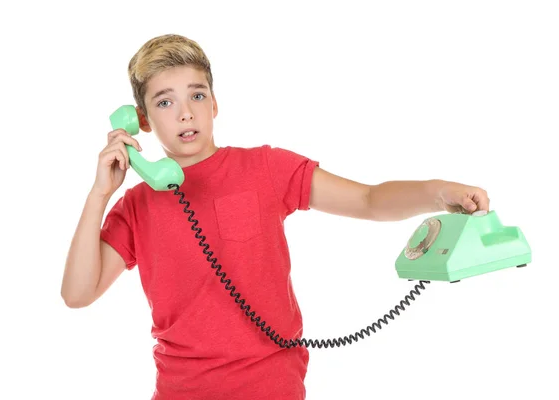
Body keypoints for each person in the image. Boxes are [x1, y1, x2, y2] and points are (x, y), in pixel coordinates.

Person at [61, 34, 490, 400]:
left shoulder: (266, 169)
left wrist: (438, 191)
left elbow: (369, 200)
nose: (185, 112)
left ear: (214, 105)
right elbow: (78, 294)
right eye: (164, 101)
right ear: (142, 122)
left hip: (273, 385)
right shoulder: (137, 205)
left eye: (196, 95)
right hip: (181, 389)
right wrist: (100, 194)